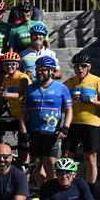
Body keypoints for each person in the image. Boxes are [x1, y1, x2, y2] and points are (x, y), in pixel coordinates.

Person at [62, 53, 100, 189]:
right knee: (66, 157)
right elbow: (61, 106)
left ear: (89, 67)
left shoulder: (98, 81)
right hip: (72, 124)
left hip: (91, 123)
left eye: (83, 66)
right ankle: (67, 186)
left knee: (90, 158)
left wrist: (90, 101)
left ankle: (90, 190)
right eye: (76, 66)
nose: (80, 69)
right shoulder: (67, 83)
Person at [21, 56, 73, 187]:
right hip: (34, 131)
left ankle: (53, 191)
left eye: (43, 70)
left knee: (50, 163)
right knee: (36, 165)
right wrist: (23, 131)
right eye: (38, 69)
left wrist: (65, 127)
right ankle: (42, 192)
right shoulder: (30, 89)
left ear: (52, 71)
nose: (39, 72)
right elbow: (23, 113)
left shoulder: (61, 88)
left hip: (52, 132)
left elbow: (68, 110)